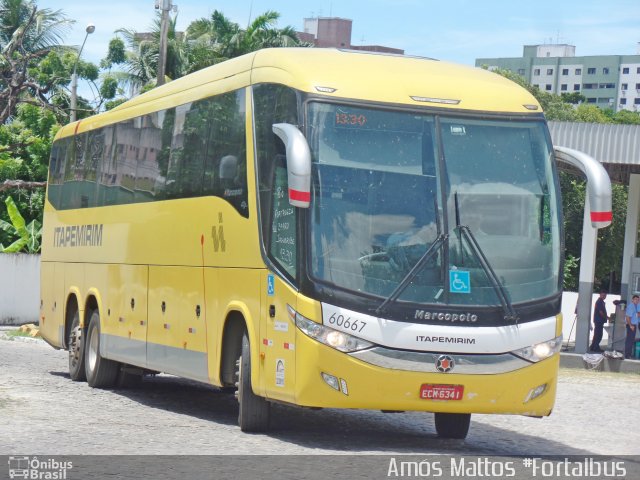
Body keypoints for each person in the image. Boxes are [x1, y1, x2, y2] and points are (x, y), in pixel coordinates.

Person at [624, 294, 639, 359]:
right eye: (635, 299)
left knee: (631, 340)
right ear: (632, 300)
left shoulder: (635, 306)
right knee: (629, 340)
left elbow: (635, 316)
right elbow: (627, 317)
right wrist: (630, 325)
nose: (637, 301)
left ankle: (629, 354)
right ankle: (627, 355)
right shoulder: (631, 306)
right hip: (631, 325)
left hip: (633, 325)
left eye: (638, 300)